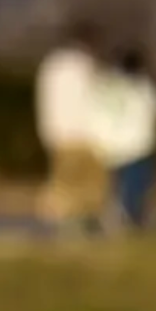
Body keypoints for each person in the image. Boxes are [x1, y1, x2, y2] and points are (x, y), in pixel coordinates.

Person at [34, 22, 107, 232]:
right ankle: (81, 223)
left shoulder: (51, 65)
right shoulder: (87, 65)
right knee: (91, 184)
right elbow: (97, 99)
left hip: (59, 132)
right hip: (86, 133)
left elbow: (44, 99)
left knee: (64, 181)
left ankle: (64, 221)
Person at [90, 46, 156, 230]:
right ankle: (132, 219)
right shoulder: (143, 87)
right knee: (137, 187)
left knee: (114, 186)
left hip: (109, 146)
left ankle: (113, 217)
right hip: (137, 146)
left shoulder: (107, 86)